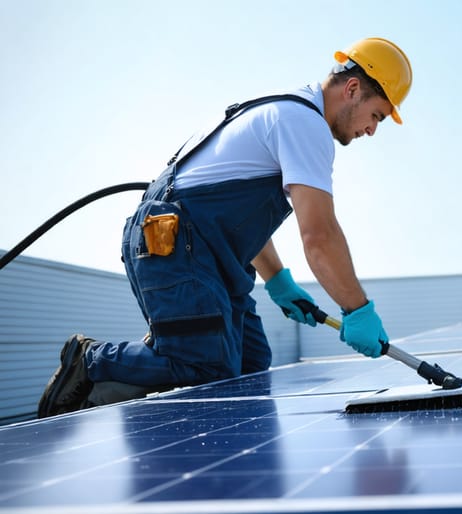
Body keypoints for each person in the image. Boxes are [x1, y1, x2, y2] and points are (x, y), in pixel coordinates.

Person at [37, 37, 412, 418]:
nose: (372, 130)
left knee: (251, 361)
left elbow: (233, 214)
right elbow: (319, 235)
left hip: (204, 251)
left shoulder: (288, 111)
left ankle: (159, 357)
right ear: (352, 89)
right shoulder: (304, 124)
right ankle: (90, 360)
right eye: (377, 116)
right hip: (174, 245)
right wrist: (356, 309)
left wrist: (279, 281)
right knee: (207, 367)